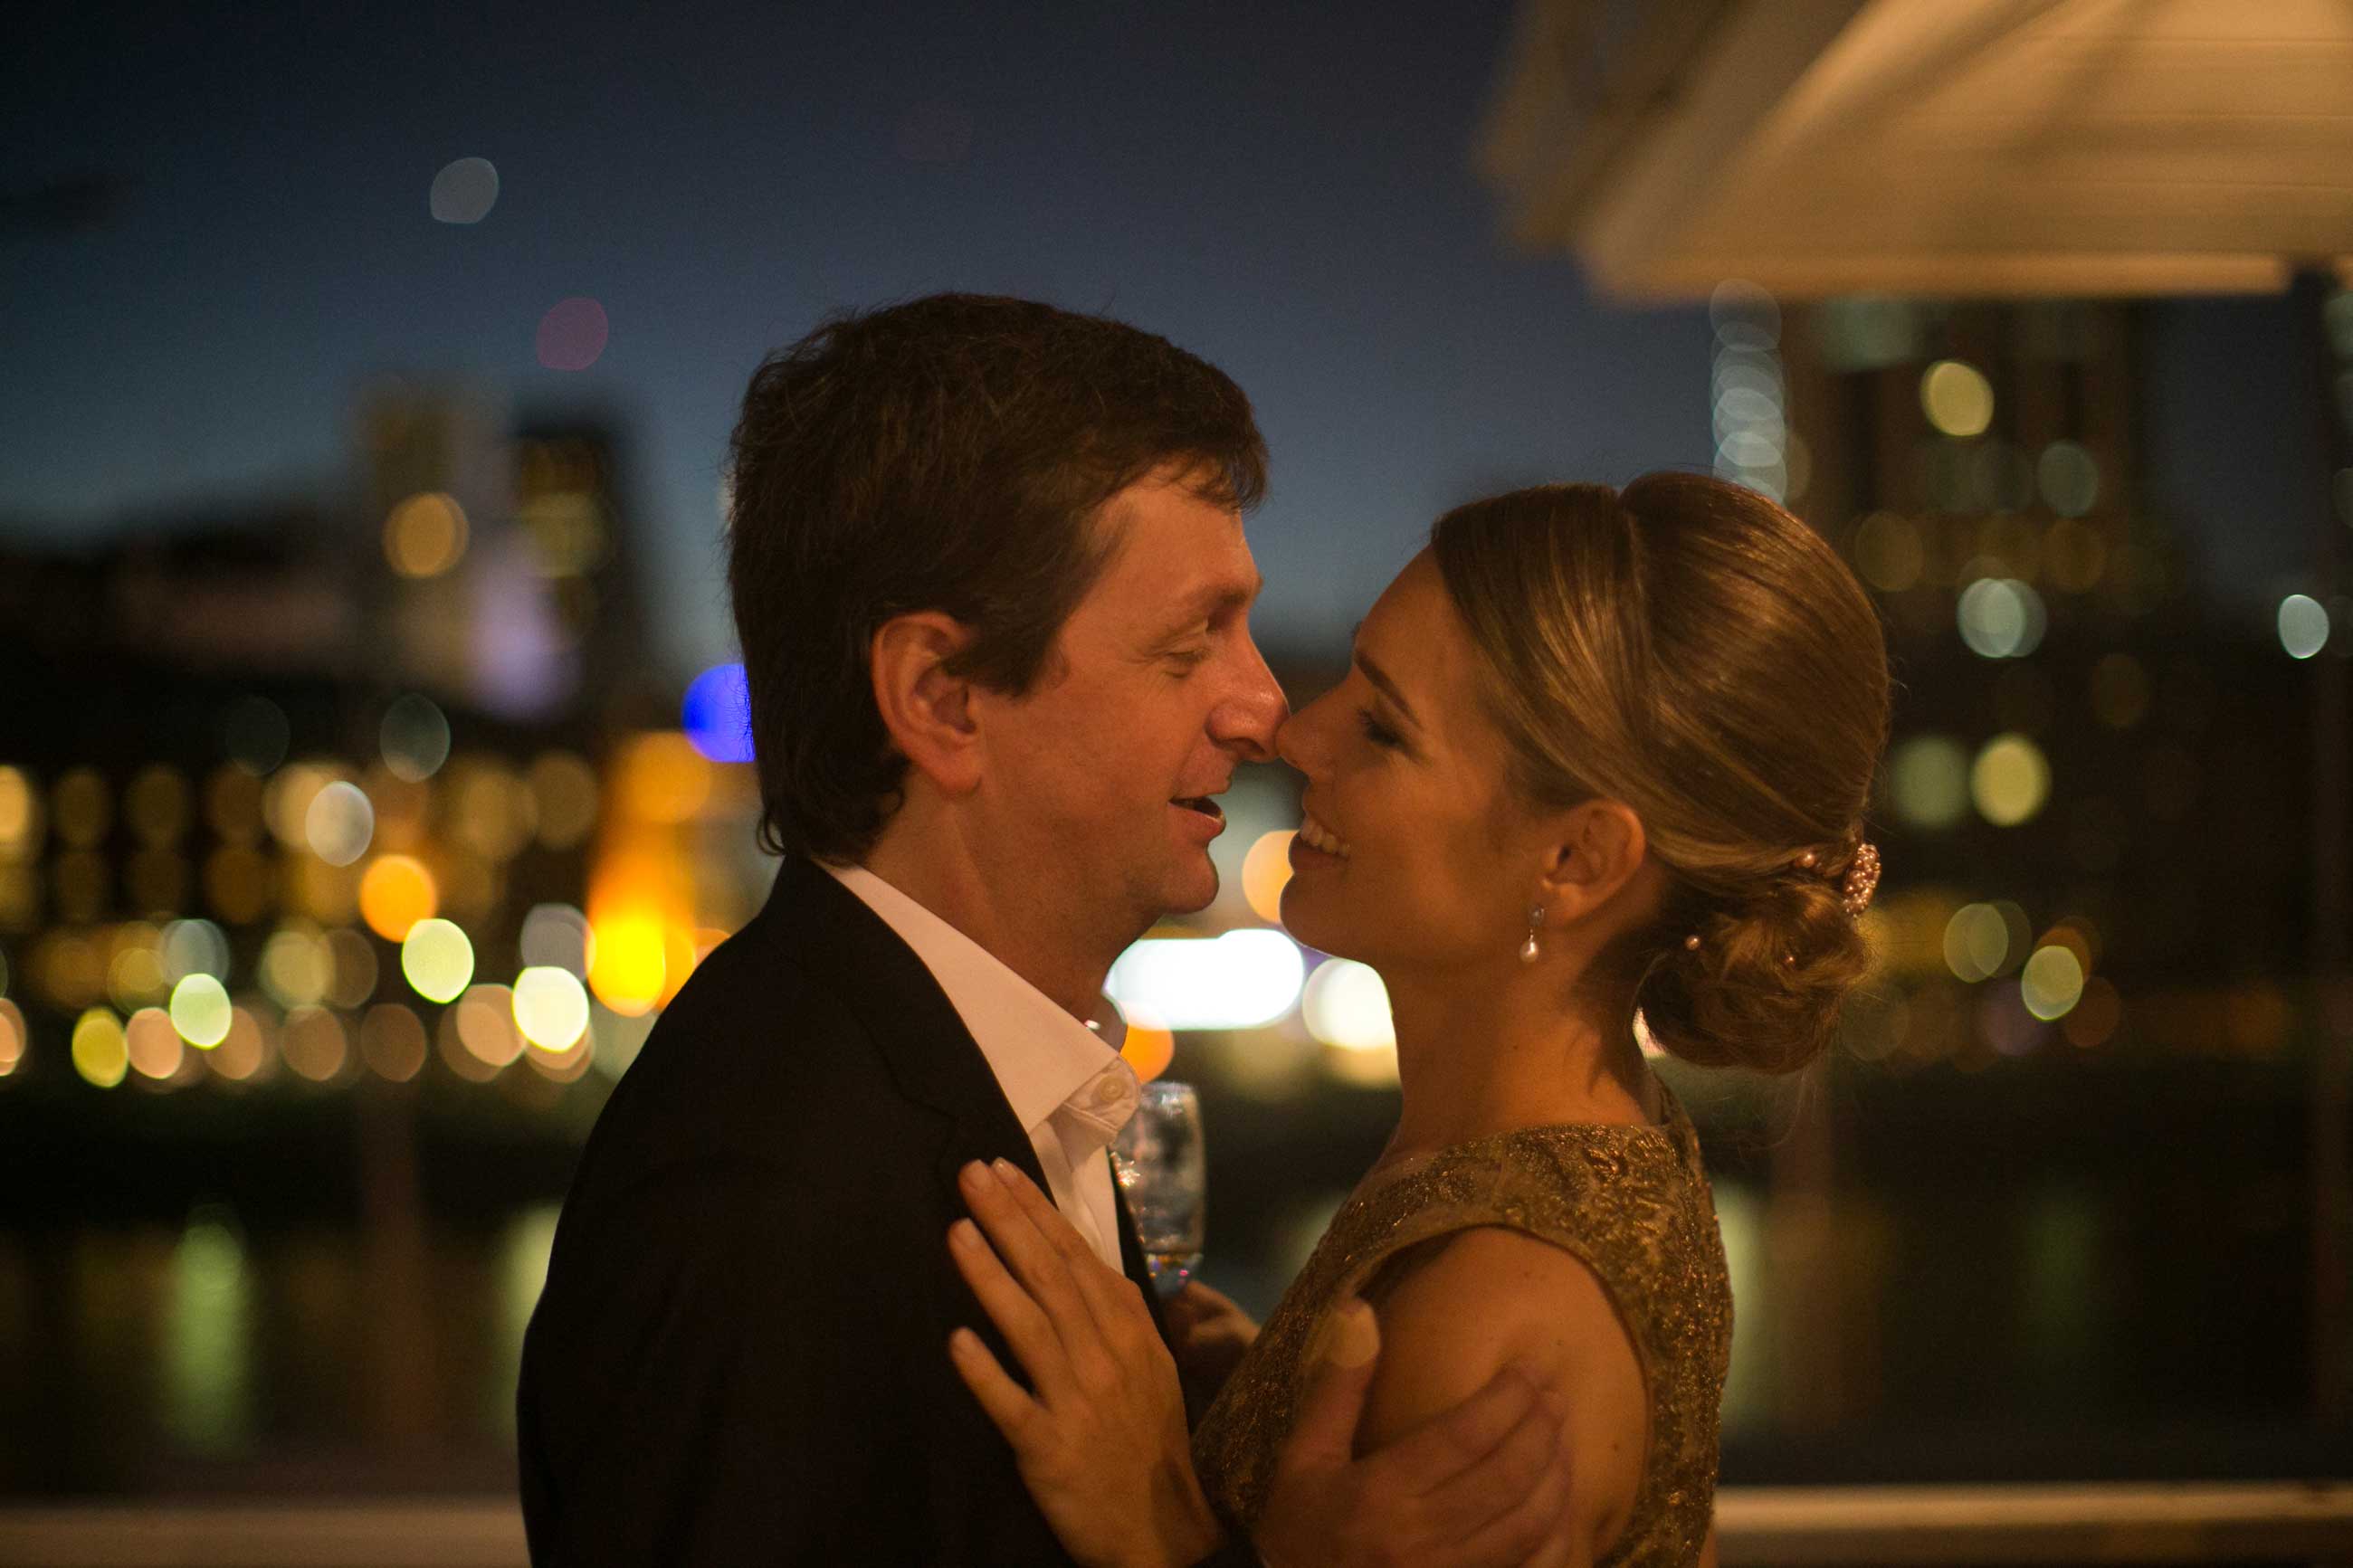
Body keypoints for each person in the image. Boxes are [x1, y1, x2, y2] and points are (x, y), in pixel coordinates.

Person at [515, 294, 1579, 1565]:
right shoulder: (770, 1199)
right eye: (1195, 639)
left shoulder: (957, 1082)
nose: (1265, 709)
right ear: (942, 700)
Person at [947, 472, 1891, 1567]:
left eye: (1384, 728)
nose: (1296, 736)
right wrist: (1253, 1400)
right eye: (1348, 673)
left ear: (1576, 858)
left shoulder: (1487, 1322)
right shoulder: (1554, 1149)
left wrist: (1149, 1523)